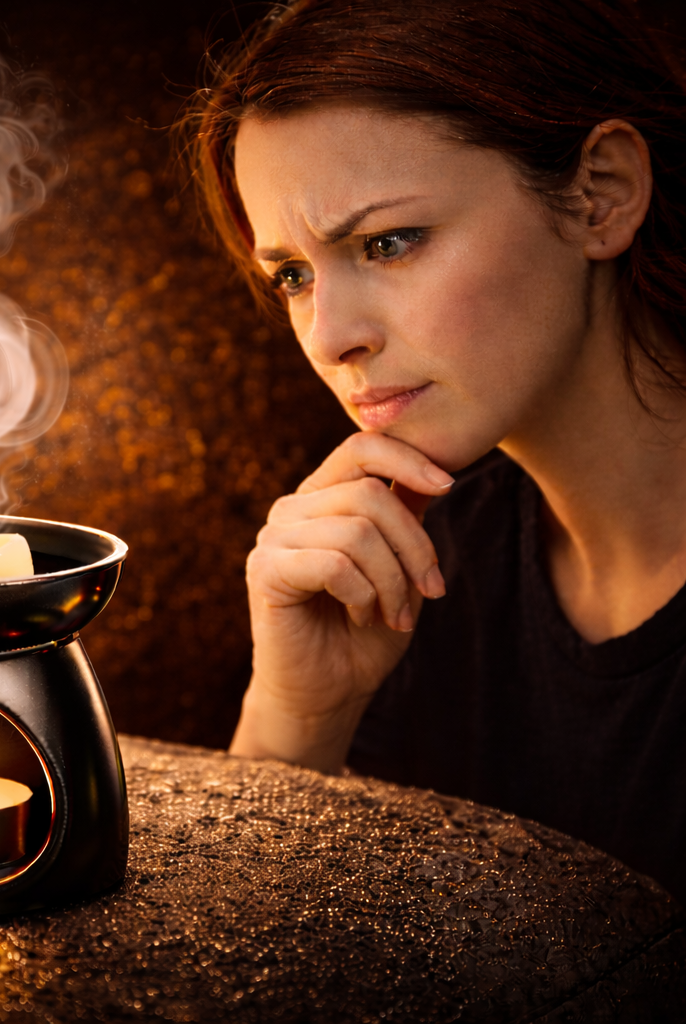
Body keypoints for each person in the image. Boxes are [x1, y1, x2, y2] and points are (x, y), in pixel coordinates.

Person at [189, 0, 686, 902]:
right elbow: (237, 966)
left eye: (388, 242)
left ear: (600, 194)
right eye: (293, 276)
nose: (328, 336)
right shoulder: (412, 568)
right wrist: (301, 717)